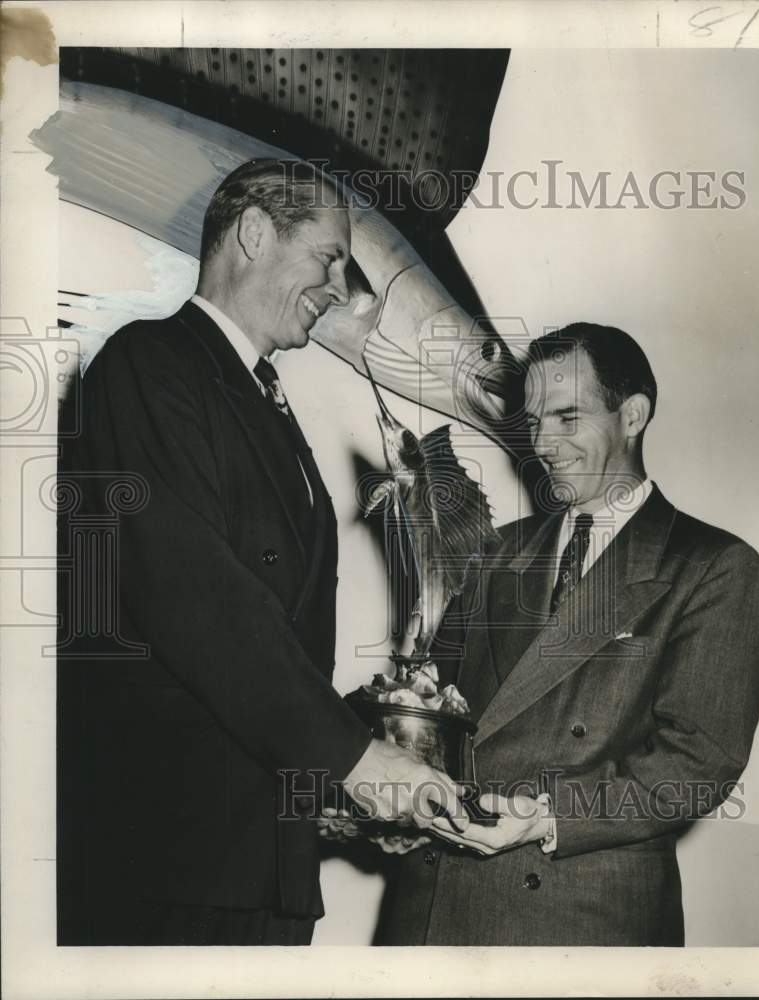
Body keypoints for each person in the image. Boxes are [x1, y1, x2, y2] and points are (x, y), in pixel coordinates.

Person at [56, 159, 467, 946]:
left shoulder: (260, 396)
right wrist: (358, 762)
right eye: (329, 258)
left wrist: (349, 775)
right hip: (169, 866)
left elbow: (275, 639)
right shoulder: (150, 365)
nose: (341, 289)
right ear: (253, 233)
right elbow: (199, 599)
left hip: (258, 867)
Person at [374, 322, 759, 946]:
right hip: (434, 904)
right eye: (535, 421)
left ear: (632, 415)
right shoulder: (495, 550)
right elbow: (439, 711)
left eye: (567, 417)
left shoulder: (712, 565)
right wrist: (391, 785)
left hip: (578, 919)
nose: (542, 443)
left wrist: (544, 817)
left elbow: (698, 764)